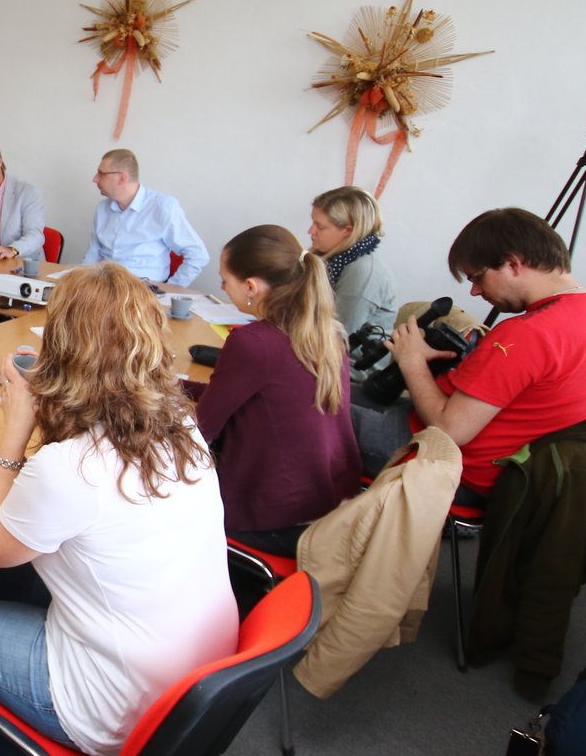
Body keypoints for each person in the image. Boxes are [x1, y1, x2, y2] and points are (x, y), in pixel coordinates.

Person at [0, 263, 236, 756]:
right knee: (27, 575)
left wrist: (14, 432)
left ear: (61, 351)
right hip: (201, 689)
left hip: (115, 707)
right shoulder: (183, 428)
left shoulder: (71, 469)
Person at [354, 207, 586, 503]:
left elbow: (448, 430)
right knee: (336, 395)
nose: (475, 292)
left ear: (513, 264)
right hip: (497, 461)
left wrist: (411, 360)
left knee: (313, 410)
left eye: (478, 278)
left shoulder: (527, 334)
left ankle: (320, 524)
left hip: (447, 463)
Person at [188, 225, 360, 554]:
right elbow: (256, 395)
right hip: (328, 502)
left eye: (224, 281)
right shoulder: (325, 332)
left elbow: (200, 431)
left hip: (271, 514)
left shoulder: (253, 342)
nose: (223, 288)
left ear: (251, 286)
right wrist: (174, 386)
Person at [82, 148, 209, 286]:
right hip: (103, 286)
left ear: (122, 178)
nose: (95, 179)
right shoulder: (102, 209)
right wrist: (81, 282)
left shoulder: (163, 207)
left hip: (141, 289)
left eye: (101, 174)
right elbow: (92, 254)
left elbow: (198, 255)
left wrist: (169, 290)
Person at [308, 185, 397, 336]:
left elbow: (337, 335)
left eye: (320, 227)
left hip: (343, 349)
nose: (311, 231)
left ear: (348, 230)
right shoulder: (332, 258)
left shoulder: (363, 272)